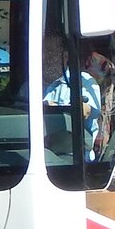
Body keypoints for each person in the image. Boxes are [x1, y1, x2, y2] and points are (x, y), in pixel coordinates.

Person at [43, 33, 103, 161]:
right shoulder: (54, 85)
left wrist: (72, 108)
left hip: (78, 152)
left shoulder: (86, 82)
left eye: (50, 54)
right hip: (52, 152)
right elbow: (43, 108)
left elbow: (89, 111)